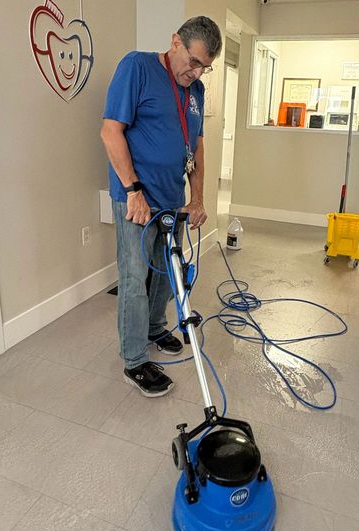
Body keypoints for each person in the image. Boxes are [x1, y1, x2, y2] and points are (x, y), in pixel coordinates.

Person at [100, 16, 222, 398]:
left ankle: (155, 328)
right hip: (136, 200)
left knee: (168, 273)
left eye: (205, 66)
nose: (197, 70)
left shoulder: (196, 90)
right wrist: (133, 190)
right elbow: (110, 130)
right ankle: (135, 361)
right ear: (175, 42)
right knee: (135, 279)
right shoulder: (136, 66)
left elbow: (196, 146)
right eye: (194, 60)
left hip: (172, 198)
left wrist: (197, 197)